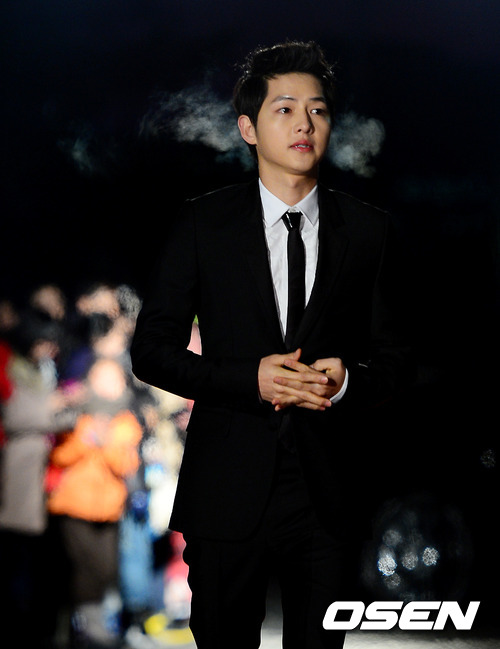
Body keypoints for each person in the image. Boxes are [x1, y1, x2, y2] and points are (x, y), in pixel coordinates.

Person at [131, 41, 414, 649]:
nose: (304, 124)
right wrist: (247, 378)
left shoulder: (369, 229)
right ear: (248, 128)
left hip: (329, 492)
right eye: (284, 109)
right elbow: (151, 349)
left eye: (317, 110)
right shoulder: (203, 223)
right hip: (226, 485)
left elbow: (398, 359)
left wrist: (348, 382)